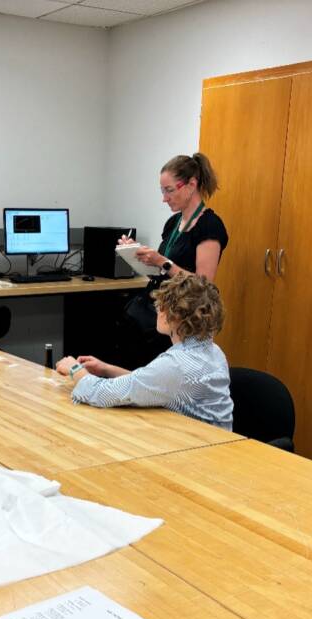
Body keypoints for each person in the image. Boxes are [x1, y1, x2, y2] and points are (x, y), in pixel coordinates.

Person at [56, 273, 233, 430]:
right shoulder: (213, 351)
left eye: (160, 305)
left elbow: (102, 394)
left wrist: (74, 370)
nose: (157, 309)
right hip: (210, 441)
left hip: (197, 449)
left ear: (175, 316)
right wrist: (106, 369)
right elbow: (151, 384)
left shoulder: (176, 364)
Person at [116, 153, 229, 368]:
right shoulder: (173, 223)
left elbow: (203, 285)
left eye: (169, 190)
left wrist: (162, 262)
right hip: (157, 309)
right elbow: (160, 270)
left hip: (181, 320)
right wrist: (136, 253)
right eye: (162, 191)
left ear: (191, 185)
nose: (164, 198)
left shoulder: (210, 226)